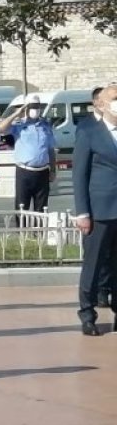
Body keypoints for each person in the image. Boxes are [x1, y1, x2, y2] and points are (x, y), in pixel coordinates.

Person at [73, 84, 117, 336]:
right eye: (114, 99)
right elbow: (79, 175)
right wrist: (83, 213)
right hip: (99, 211)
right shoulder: (90, 132)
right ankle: (88, 314)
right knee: (94, 265)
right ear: (101, 105)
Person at [0, 94, 56, 213]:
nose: (35, 109)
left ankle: (39, 232)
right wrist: (16, 114)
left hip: (42, 172)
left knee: (42, 209)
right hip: (24, 172)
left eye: (37, 106)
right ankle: (22, 232)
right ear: (26, 108)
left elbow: (51, 149)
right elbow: (0, 129)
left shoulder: (45, 126)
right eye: (32, 106)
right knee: (22, 208)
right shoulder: (19, 125)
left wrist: (53, 170)